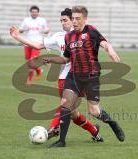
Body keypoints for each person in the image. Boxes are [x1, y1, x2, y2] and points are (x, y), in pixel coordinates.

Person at [10, 8, 103, 142]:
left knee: (67, 106)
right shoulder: (59, 36)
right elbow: (38, 45)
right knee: (72, 113)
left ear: (74, 20)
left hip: (80, 77)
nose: (62, 23)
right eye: (61, 21)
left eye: (65, 20)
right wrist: (17, 36)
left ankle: (52, 128)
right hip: (63, 78)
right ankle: (94, 131)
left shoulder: (84, 35)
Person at [42, 6, 125, 148]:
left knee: (94, 111)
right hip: (73, 76)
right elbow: (66, 59)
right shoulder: (69, 36)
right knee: (65, 106)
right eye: (73, 18)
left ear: (84, 19)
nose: (74, 21)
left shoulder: (91, 30)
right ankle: (61, 141)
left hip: (91, 76)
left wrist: (110, 49)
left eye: (77, 18)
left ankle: (112, 123)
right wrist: (52, 59)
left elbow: (103, 42)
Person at [19, 5, 50, 85]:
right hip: (27, 44)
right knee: (29, 62)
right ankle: (39, 71)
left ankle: (29, 80)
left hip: (37, 44)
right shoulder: (26, 20)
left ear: (38, 13)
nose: (34, 13)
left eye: (36, 12)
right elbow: (20, 30)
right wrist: (22, 29)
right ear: (30, 13)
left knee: (31, 62)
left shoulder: (42, 20)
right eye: (33, 12)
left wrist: (44, 30)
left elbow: (47, 30)